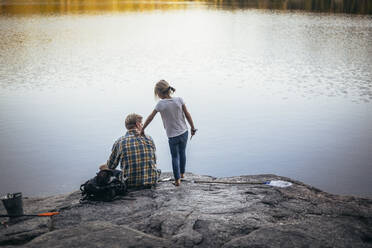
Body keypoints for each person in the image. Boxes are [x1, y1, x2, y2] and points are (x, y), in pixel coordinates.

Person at [141, 80, 197, 186]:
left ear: (159, 93)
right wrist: (192, 128)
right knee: (182, 153)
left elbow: (150, 117)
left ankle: (177, 180)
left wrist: (143, 128)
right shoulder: (179, 100)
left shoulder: (161, 104)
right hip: (184, 132)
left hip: (172, 136)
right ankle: (182, 174)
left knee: (175, 157)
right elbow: (187, 115)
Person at [99, 113, 161, 188]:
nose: (142, 125)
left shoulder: (120, 141)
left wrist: (103, 167)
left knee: (103, 168)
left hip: (130, 184)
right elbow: (154, 161)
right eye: (141, 124)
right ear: (137, 124)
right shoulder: (149, 138)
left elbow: (111, 166)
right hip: (151, 181)